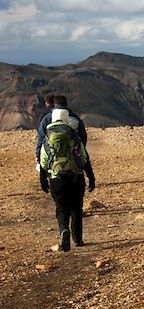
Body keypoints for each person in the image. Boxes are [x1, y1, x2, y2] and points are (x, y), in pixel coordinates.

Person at [39, 108, 96, 251]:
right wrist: (91, 177)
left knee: (61, 207)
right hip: (76, 178)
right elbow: (83, 159)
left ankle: (64, 229)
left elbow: (43, 161)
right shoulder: (74, 137)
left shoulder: (48, 138)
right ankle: (78, 239)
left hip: (56, 179)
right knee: (76, 207)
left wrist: (43, 180)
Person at [35, 95, 87, 163]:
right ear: (66, 104)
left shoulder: (47, 118)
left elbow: (41, 137)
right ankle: (89, 173)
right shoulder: (74, 117)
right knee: (86, 162)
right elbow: (83, 136)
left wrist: (38, 155)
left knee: (43, 168)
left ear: (54, 104)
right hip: (71, 155)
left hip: (52, 155)